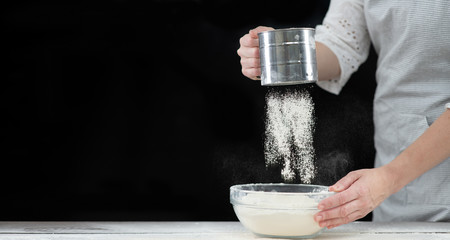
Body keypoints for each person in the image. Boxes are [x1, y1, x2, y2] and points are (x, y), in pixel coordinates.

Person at [237, 0, 450, 228]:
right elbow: (341, 42)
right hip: (396, 181)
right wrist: (283, 54)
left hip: (399, 176)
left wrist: (390, 177)